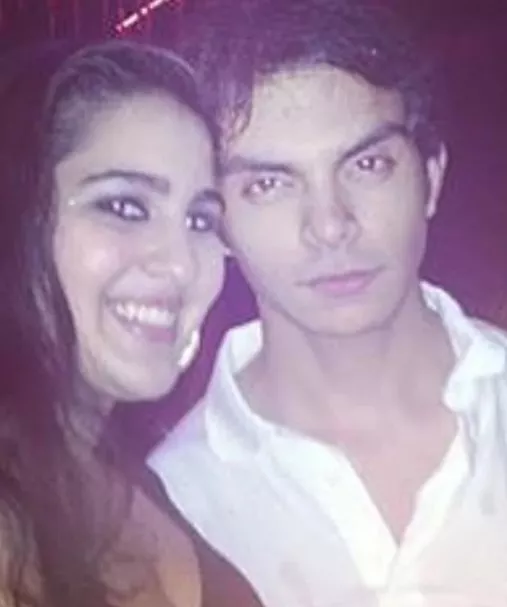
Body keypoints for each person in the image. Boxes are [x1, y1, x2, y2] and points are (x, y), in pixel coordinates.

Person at [149, 1, 507, 605]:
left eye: (367, 165)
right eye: (269, 184)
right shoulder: (170, 510)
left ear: (431, 177)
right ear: (216, 223)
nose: (330, 225)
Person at [0, 40, 262, 607]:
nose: (180, 264)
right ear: (17, 217)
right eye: (124, 207)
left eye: (200, 219)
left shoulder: (134, 479)